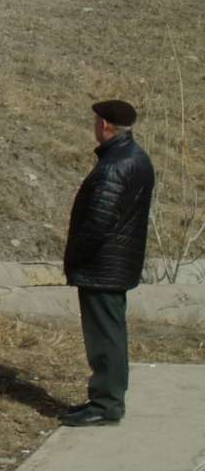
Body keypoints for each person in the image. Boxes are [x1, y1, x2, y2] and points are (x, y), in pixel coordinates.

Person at [62, 100, 157, 428]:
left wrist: (74, 256)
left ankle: (106, 403)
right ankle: (105, 397)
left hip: (102, 266)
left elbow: (99, 221)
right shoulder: (135, 157)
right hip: (116, 264)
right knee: (110, 331)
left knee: (104, 337)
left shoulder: (115, 166)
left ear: (104, 125)